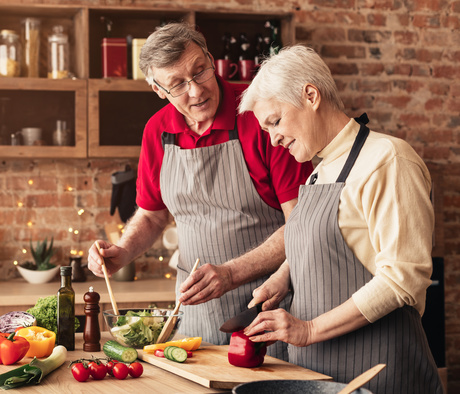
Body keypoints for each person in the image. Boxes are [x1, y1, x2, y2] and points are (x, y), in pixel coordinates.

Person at [86, 22, 313, 352]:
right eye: (177, 84)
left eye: (199, 71)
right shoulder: (157, 131)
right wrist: (122, 251)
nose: (196, 90)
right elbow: (151, 217)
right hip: (194, 315)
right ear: (158, 91)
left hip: (271, 307)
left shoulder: (261, 114)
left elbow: (302, 223)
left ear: (210, 59)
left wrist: (230, 273)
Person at [238, 45, 443, 393]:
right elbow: (325, 241)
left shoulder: (387, 159)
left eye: (275, 121)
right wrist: (283, 277)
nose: (272, 140)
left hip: (382, 369)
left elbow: (403, 278)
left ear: (311, 95)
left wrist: (309, 330)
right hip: (315, 372)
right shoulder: (319, 172)